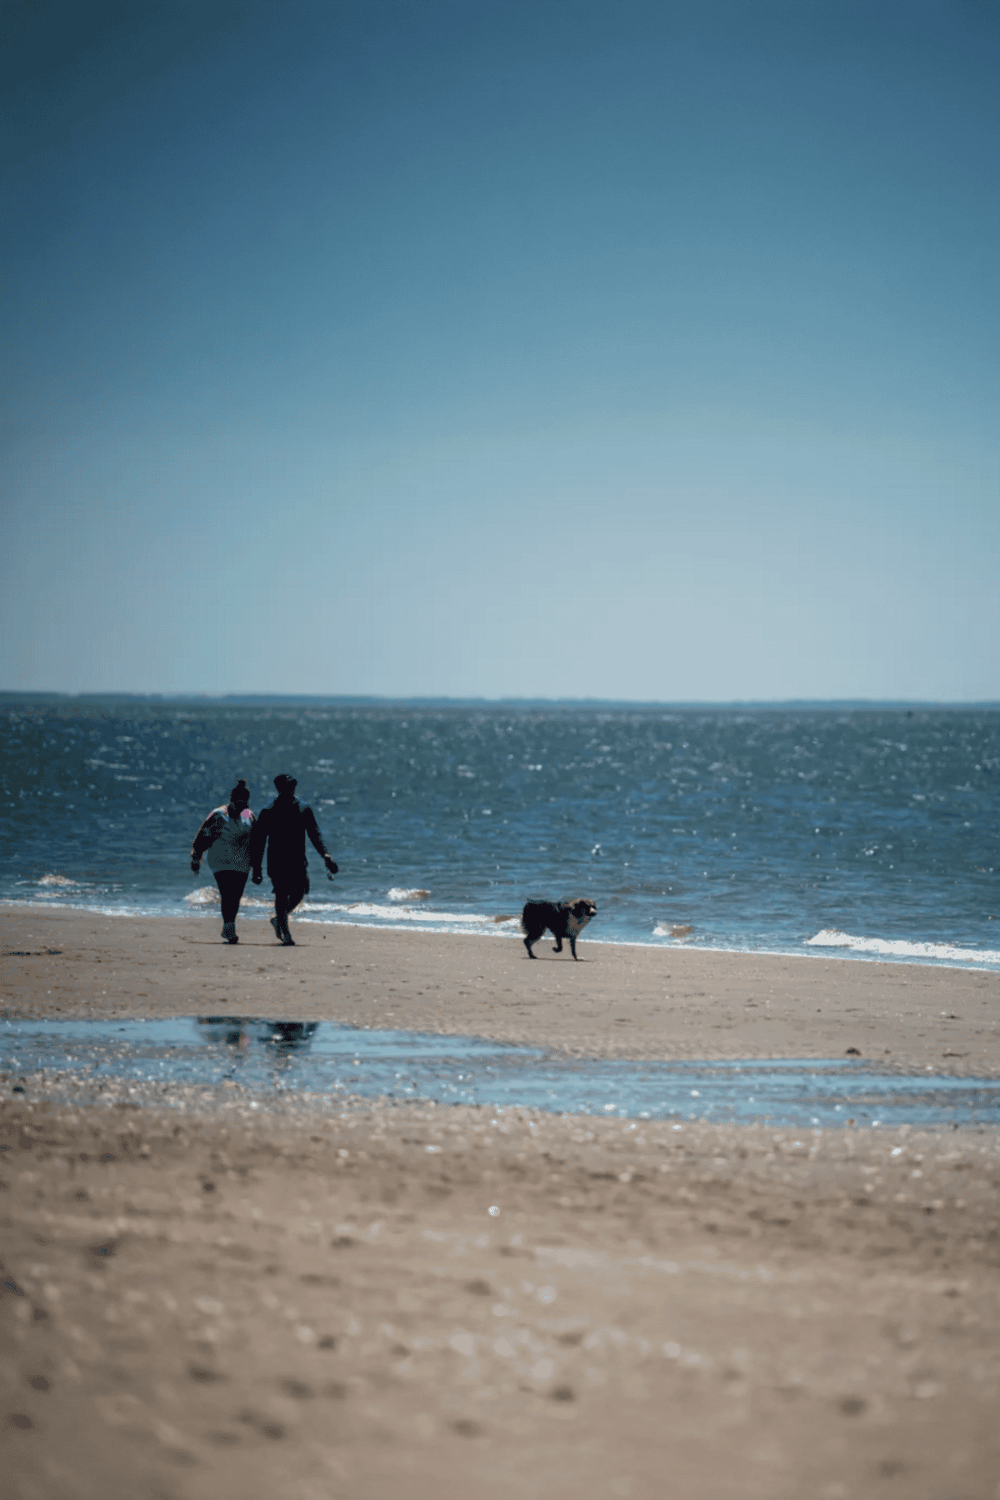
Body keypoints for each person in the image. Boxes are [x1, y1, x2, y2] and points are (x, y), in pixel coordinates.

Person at [250, 773, 338, 945]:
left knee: (299, 893)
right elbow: (259, 841)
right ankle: (286, 934)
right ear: (279, 789)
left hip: (298, 860)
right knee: (281, 895)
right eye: (286, 788)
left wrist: (325, 855)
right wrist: (257, 869)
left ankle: (278, 919)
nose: (290, 790)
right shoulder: (268, 811)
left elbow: (314, 834)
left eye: (292, 787)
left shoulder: (303, 808)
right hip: (276, 861)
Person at [190, 779, 256, 944]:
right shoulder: (218, 815)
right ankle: (229, 927)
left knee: (236, 895)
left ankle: (229, 924)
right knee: (227, 893)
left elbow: (257, 842)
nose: (242, 805)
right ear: (231, 799)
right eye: (238, 801)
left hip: (242, 861)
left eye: (244, 802)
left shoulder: (250, 815)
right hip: (221, 860)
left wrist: (257, 866)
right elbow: (203, 836)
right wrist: (196, 857)